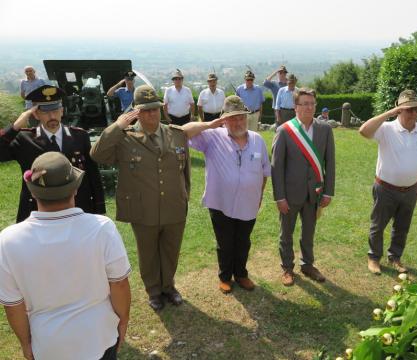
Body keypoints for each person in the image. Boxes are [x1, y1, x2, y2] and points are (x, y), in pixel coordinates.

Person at [90, 85, 215, 311]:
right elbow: (97, 155)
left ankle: (169, 286)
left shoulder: (175, 134)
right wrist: (117, 126)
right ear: (136, 112)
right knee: (148, 253)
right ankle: (154, 291)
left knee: (170, 249)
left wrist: (184, 194)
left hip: (174, 205)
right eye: (146, 110)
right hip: (143, 207)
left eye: (155, 109)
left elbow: (184, 170)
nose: (152, 114)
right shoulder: (125, 138)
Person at [0, 152, 131, 360]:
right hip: (99, 335)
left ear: (32, 193)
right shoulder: (101, 227)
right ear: (75, 189)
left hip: (49, 344)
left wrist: (25, 344)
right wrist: (123, 320)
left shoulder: (8, 240)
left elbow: (13, 306)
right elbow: (120, 284)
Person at [189, 96, 271, 294]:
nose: (238, 122)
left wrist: (259, 195)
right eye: (232, 118)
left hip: (249, 202)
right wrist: (209, 124)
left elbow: (264, 171)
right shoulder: (212, 136)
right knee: (225, 242)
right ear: (223, 120)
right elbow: (182, 133)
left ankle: (241, 274)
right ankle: (225, 277)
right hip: (220, 202)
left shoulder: (257, 140)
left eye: (241, 117)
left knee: (243, 241)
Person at [0, 85, 105, 223]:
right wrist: (14, 127)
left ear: (62, 111)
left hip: (77, 208)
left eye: (55, 110)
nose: (52, 116)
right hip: (38, 211)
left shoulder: (80, 136)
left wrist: (99, 209)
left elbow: (93, 173)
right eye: (45, 112)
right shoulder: (24, 139)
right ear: (36, 114)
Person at [359, 90, 417, 275]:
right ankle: (374, 258)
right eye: (408, 109)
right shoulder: (386, 128)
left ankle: (395, 257)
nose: (413, 113)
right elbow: (363, 131)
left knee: (402, 227)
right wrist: (388, 114)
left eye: (416, 110)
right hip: (386, 188)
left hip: (410, 190)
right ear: (399, 111)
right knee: (378, 225)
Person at [271, 88, 335, 286]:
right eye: (304, 103)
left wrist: (328, 192)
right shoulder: (284, 130)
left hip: (314, 193)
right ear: (296, 107)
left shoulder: (325, 130)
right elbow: (276, 167)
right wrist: (279, 197)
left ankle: (307, 264)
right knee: (286, 233)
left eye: (312, 103)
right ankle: (287, 268)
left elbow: (329, 163)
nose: (309, 107)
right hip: (290, 194)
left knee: (309, 231)